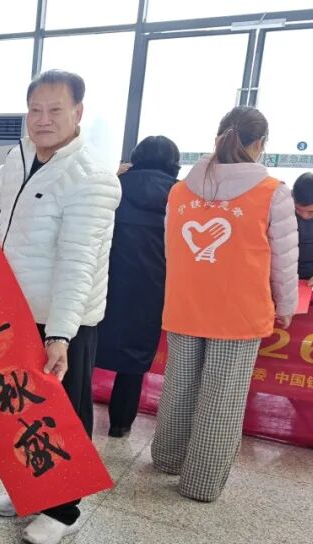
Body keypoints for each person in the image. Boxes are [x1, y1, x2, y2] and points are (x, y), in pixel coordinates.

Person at [0, 69, 122, 544]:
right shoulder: (21, 158)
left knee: (63, 412)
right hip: (15, 311)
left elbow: (78, 263)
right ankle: (30, 489)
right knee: (18, 407)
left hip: (63, 321)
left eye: (55, 110)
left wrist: (60, 334)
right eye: (35, 110)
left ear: (78, 112)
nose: (43, 119)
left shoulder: (92, 178)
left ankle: (63, 509)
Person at [151, 106, 298, 503]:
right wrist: (285, 305)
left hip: (184, 305)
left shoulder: (180, 190)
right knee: (222, 400)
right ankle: (200, 484)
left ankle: (167, 458)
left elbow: (170, 249)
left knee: (179, 387)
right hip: (239, 312)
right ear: (260, 143)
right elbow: (283, 262)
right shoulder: (273, 192)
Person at [96, 136, 180, 438]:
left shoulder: (114, 185)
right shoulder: (179, 196)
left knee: (87, 352)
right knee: (133, 360)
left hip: (104, 284)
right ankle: (120, 425)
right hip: (152, 290)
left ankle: (73, 418)